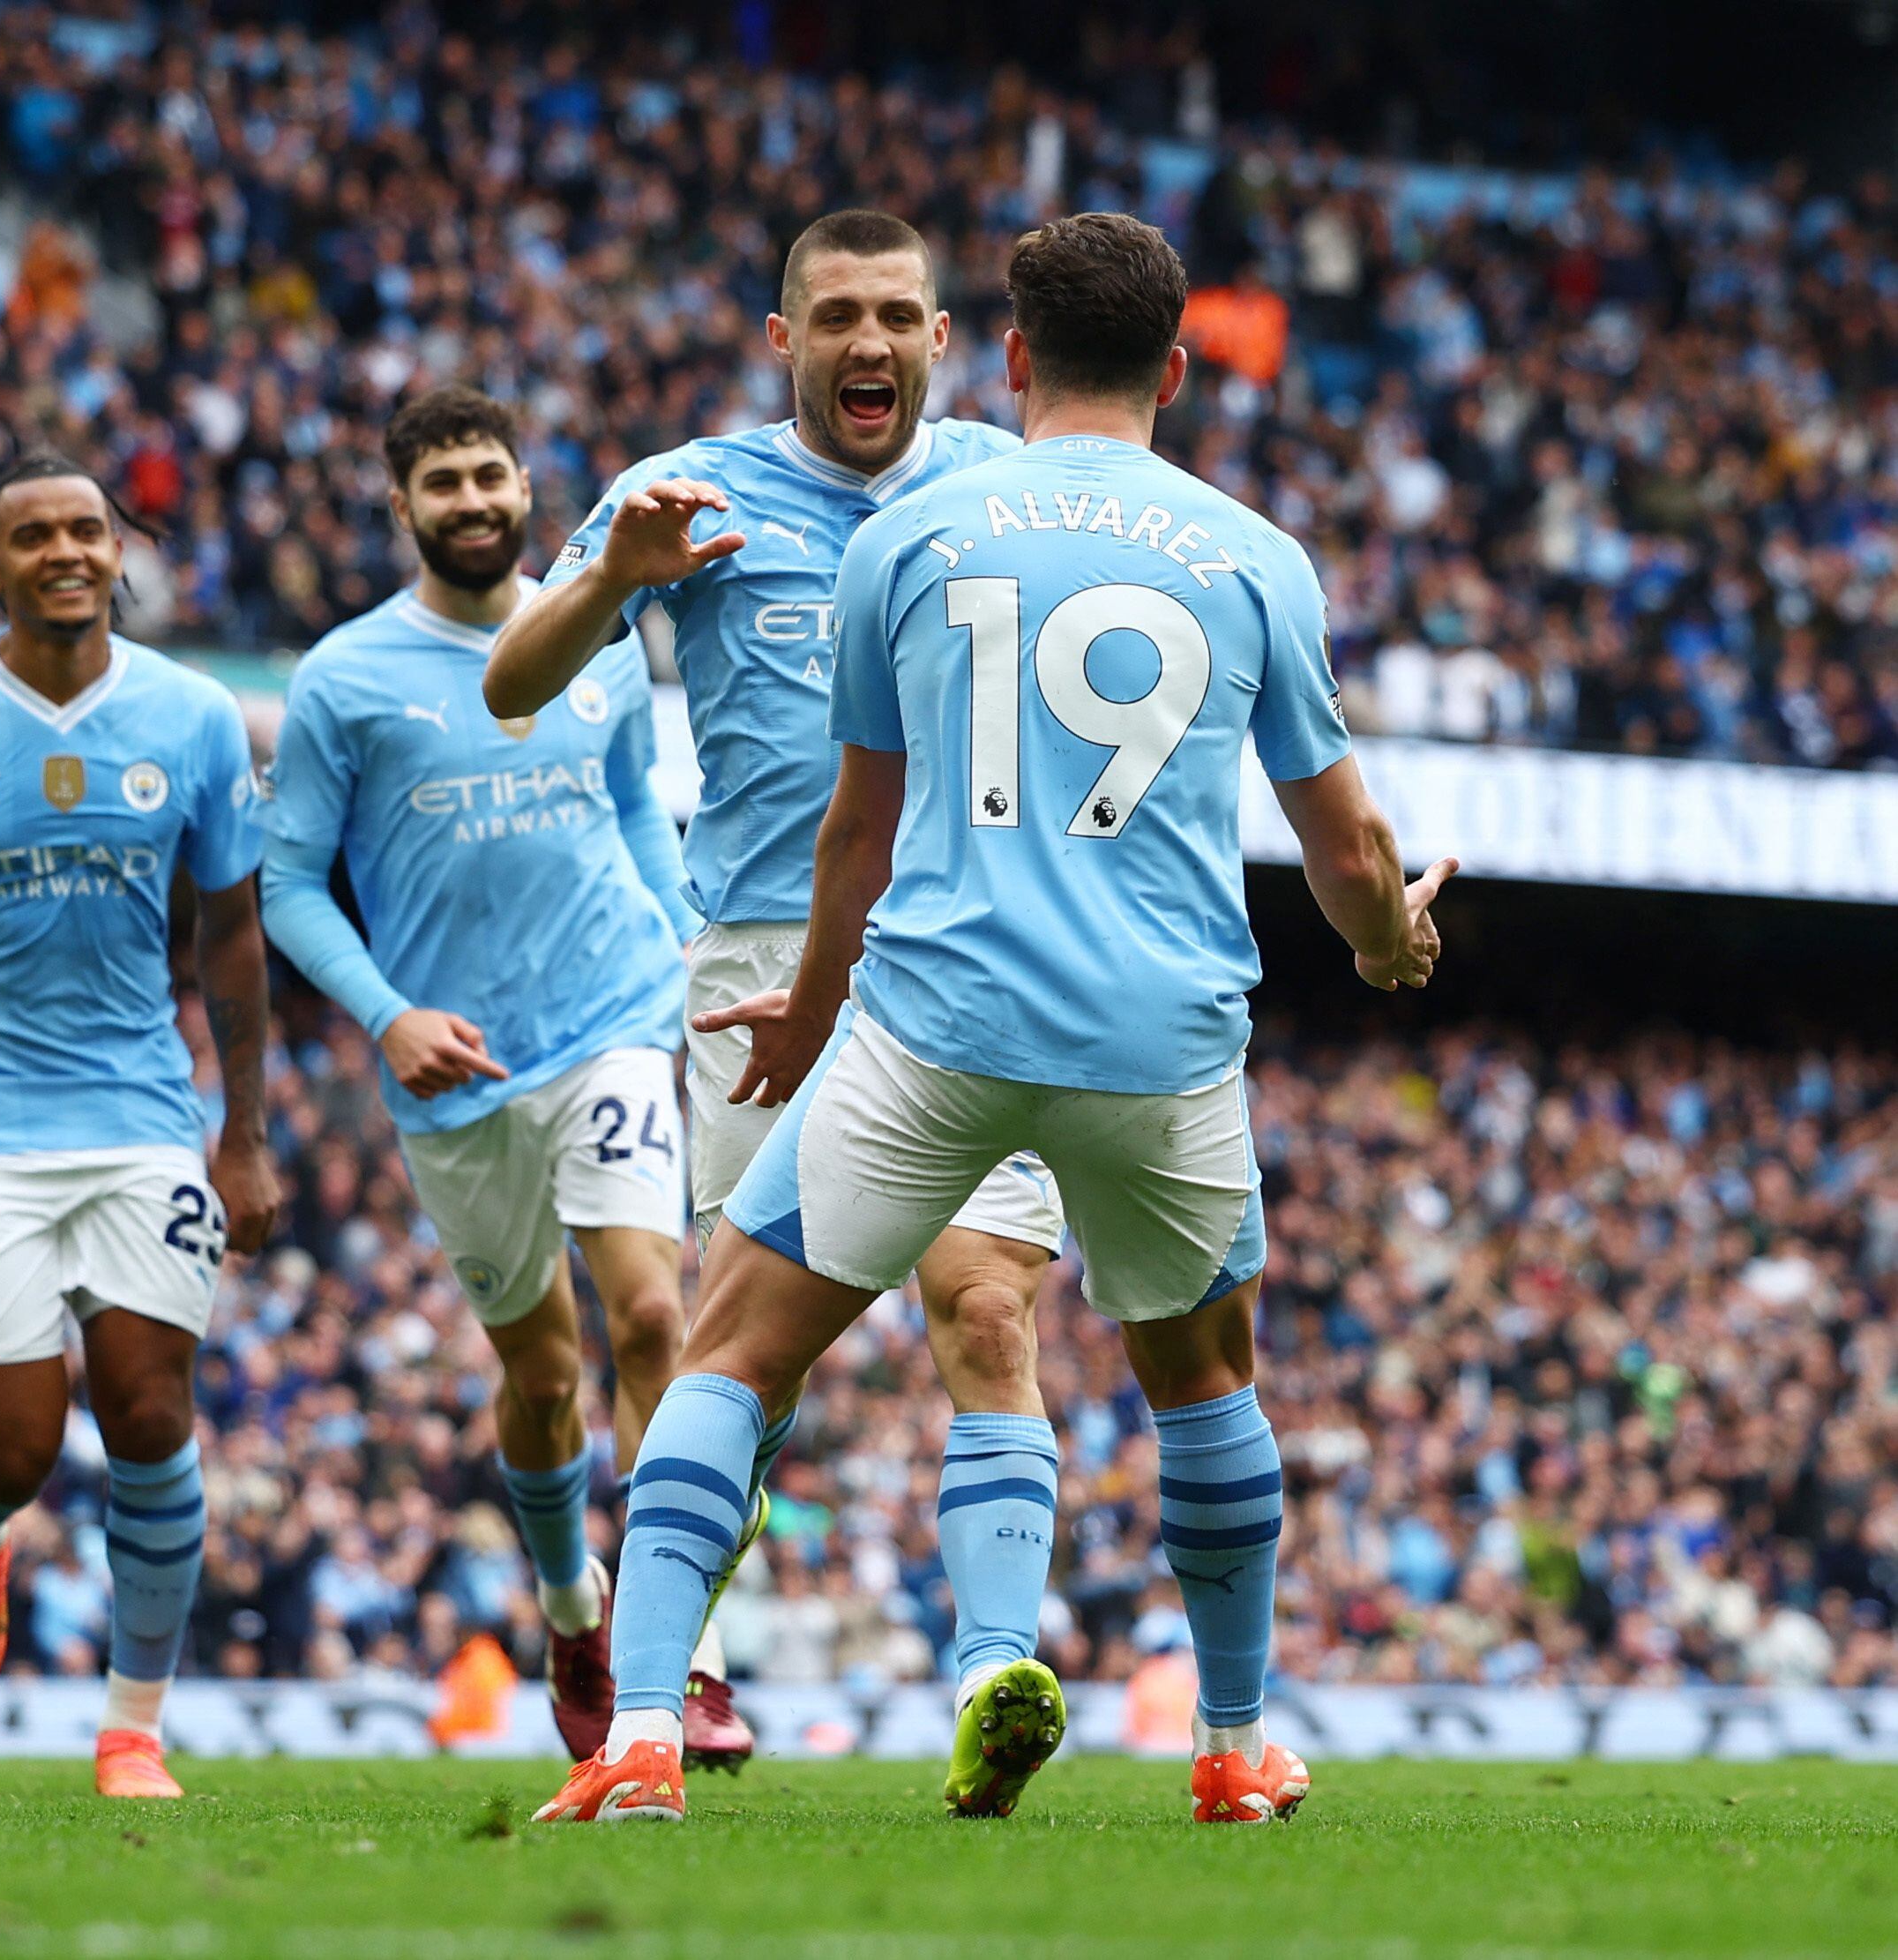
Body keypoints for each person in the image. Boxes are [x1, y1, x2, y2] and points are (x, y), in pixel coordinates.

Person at [535, 210, 1456, 1826]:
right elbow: (1348, 847)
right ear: (1178, 367)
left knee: (733, 1344)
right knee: (1204, 1385)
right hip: (1164, 1042)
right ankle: (1234, 1744)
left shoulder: (918, 533)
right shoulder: (1254, 553)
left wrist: (817, 1018)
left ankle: (641, 1737)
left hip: (934, 1018)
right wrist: (1390, 944)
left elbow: (859, 840)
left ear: (1007, 359)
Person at [487, 208, 1069, 1786]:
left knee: (990, 1306)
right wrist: (616, 568)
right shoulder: (691, 491)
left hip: (966, 955)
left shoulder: (1012, 491)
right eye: (836, 317)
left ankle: (998, 1677)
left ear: (947, 342)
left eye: (897, 315)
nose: (867, 343)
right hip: (757, 970)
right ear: (783, 338)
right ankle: (674, 1693)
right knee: (741, 1358)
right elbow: (513, 680)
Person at [0, 454, 279, 1800]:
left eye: (89, 528)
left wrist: (243, 1130)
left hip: (141, 1110)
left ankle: (133, 1729)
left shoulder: (195, 716)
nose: (67, 550)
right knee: (17, 1442)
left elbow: (235, 932)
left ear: (118, 552)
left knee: (148, 1411)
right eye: (34, 535)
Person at [263, 387, 697, 1761]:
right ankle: (571, 1597)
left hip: (615, 1013)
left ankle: (682, 1649)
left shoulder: (604, 631)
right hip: (457, 1070)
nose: (470, 500)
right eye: (440, 482)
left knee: (650, 1316)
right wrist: (390, 1016)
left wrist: (689, 942)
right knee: (544, 1373)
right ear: (401, 507)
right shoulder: (343, 680)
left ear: (527, 487)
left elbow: (635, 805)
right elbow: (288, 883)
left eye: (489, 476)